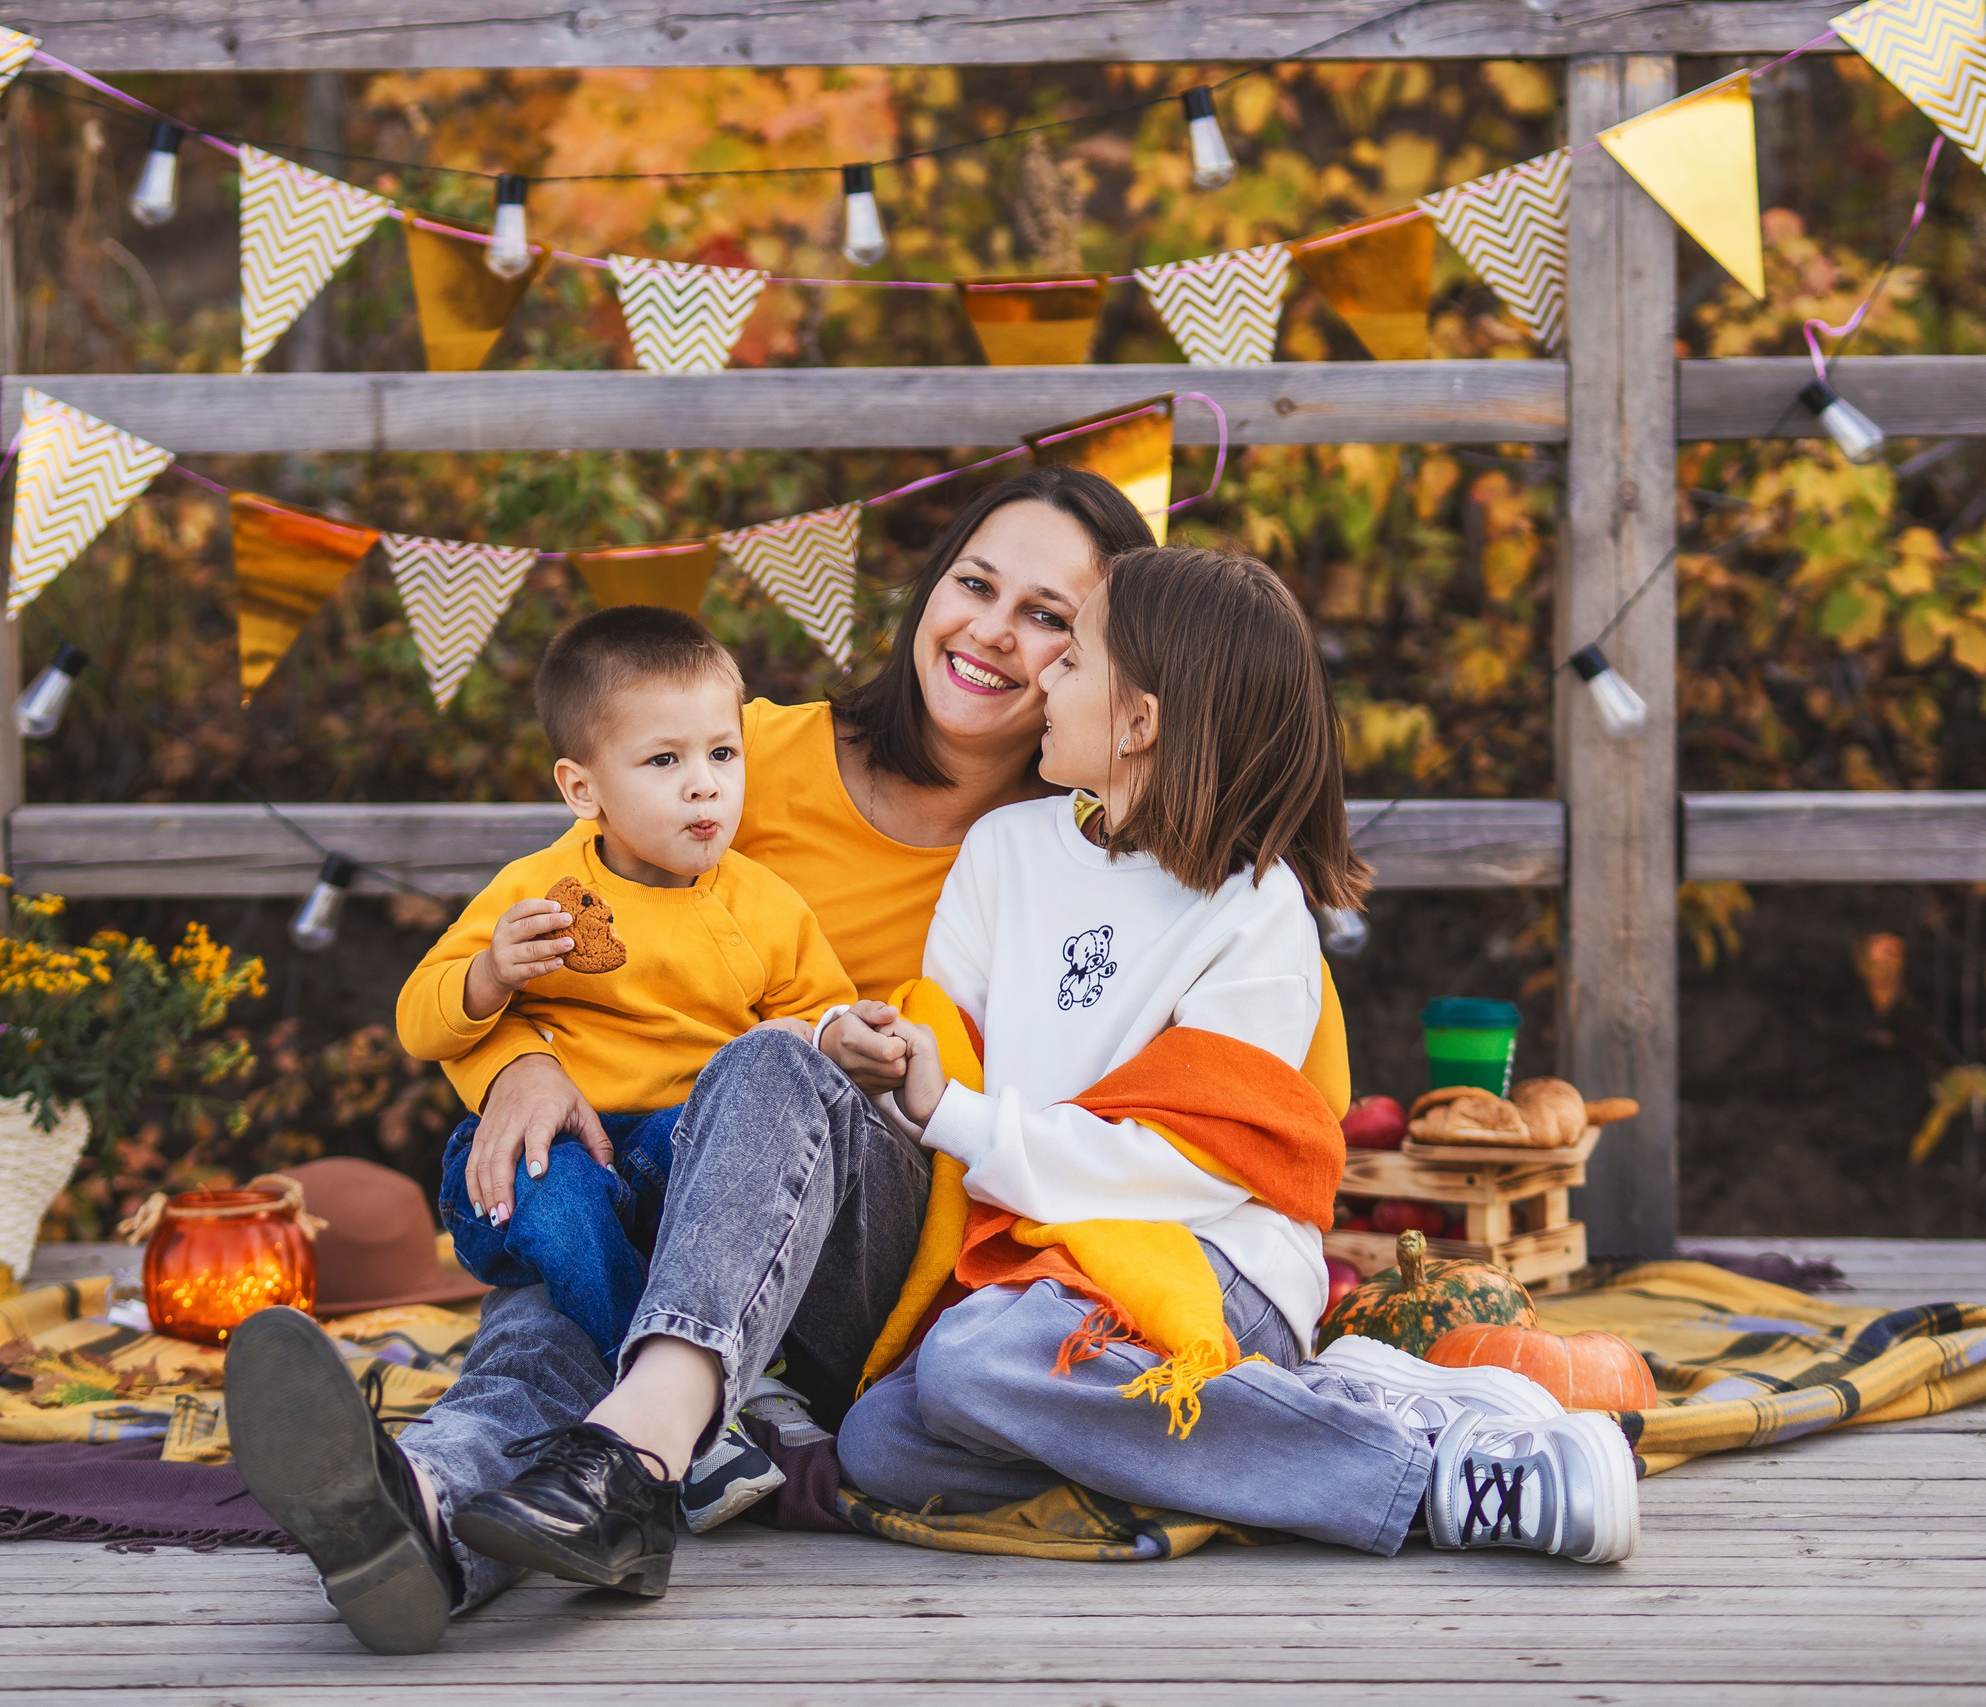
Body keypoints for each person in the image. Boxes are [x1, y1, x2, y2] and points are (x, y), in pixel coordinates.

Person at [220, 470, 1369, 1655]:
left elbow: (1253, 1118)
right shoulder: (734, 755)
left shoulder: (1116, 851)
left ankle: (623, 1451)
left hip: (884, 1242)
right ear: (930, 590)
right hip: (673, 1192)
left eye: (1049, 621)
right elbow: (552, 918)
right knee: (562, 1295)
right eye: (974, 583)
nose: (992, 630)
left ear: (1126, 686)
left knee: (771, 1070)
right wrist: (515, 1060)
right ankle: (425, 1517)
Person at [831, 545, 1639, 1565]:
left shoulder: (1252, 913)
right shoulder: (1006, 856)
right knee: (884, 1443)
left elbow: (1188, 1163)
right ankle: (1308, 1415)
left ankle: (1435, 1472)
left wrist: (950, 1109)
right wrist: (882, 1049)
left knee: (973, 1370)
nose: (1042, 675)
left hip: (1213, 1261)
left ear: (1141, 723)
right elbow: (949, 1056)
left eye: (1071, 659)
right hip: (1036, 1263)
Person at [389, 604, 878, 1530]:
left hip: (686, 1172)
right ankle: (699, 1420)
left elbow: (809, 1030)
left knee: (552, 1326)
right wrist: (493, 976)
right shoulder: (541, 890)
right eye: (665, 762)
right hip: (553, 1160)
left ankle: (484, 1484)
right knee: (559, 1197)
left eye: (722, 757)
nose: (705, 790)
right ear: (584, 787)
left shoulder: (764, 904)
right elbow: (422, 1017)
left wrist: (849, 1039)